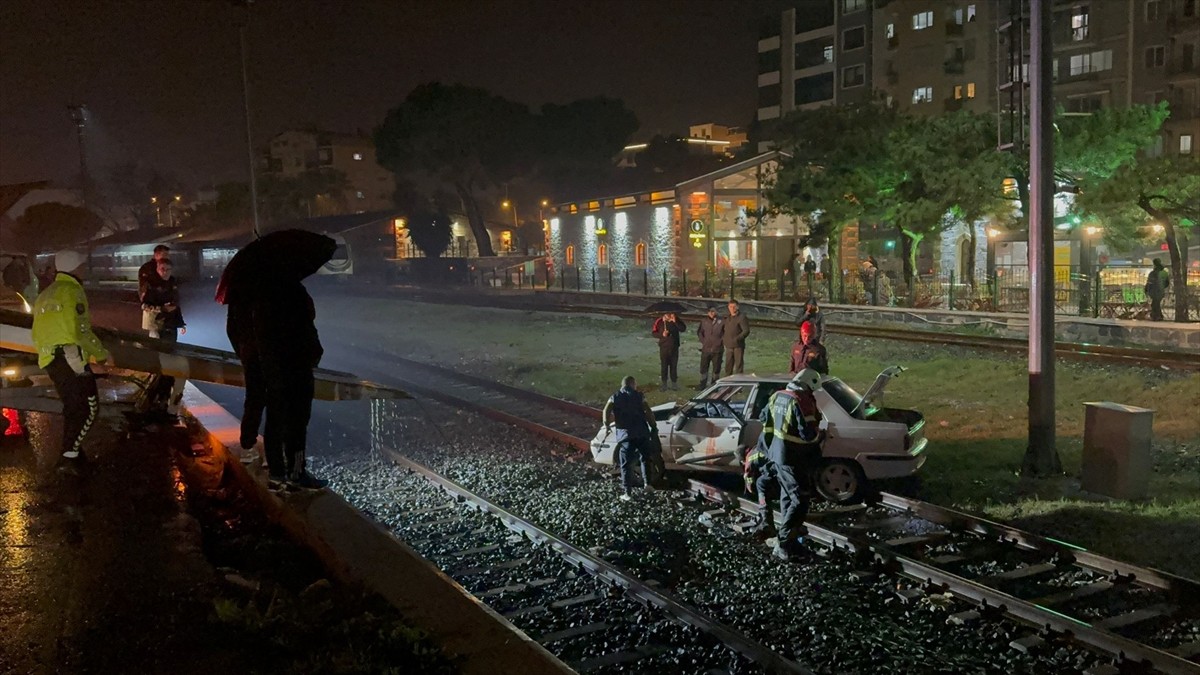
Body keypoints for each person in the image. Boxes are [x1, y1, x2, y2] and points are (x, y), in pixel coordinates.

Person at [31, 250, 111, 464]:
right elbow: (80, 331)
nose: (84, 268)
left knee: (73, 407)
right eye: (82, 265)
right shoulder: (72, 291)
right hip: (69, 357)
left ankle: (72, 453)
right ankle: (69, 459)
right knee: (88, 408)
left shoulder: (45, 294)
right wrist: (101, 354)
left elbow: (36, 332)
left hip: (51, 359)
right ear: (76, 267)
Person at [758, 368, 824, 562]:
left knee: (787, 497)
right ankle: (784, 542)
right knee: (800, 499)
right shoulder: (801, 400)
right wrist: (820, 435)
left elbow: (763, 418)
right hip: (793, 458)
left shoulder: (777, 395)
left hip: (776, 455)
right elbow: (808, 434)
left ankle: (789, 540)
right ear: (807, 386)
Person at [140, 258, 187, 418]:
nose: (165, 272)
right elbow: (144, 305)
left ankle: (164, 398)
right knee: (161, 363)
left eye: (168, 269)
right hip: (157, 326)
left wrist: (181, 323)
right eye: (162, 269)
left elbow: (177, 304)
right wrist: (161, 308)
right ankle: (158, 397)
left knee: (169, 361)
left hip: (171, 325)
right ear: (158, 269)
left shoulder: (173, 284)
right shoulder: (152, 285)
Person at [601, 375, 659, 501]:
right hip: (642, 433)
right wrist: (653, 426)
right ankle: (647, 484)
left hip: (625, 435)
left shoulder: (615, 397)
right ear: (633, 384)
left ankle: (627, 493)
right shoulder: (639, 396)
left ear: (622, 385)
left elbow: (606, 410)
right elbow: (648, 412)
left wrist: (606, 425)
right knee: (645, 458)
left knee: (626, 464)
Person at [742, 433, 777, 536]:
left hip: (783, 471)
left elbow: (750, 485)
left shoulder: (749, 457)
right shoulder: (758, 447)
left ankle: (766, 522)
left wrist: (748, 483)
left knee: (760, 483)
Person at [139, 244, 170, 333]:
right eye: (165, 255)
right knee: (155, 335)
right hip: (153, 308)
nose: (167, 257)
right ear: (156, 255)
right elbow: (144, 288)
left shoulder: (166, 266)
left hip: (165, 309)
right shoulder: (147, 268)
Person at [652, 312, 686, 391]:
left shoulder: (676, 320)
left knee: (673, 366)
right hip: (664, 347)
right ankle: (664, 384)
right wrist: (662, 334)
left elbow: (683, 329)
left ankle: (674, 384)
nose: (669, 315)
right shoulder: (659, 321)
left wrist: (675, 321)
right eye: (668, 314)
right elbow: (653, 333)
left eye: (670, 313)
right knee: (664, 366)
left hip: (674, 347)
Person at [696, 307, 724, 389]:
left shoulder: (722, 321)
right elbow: (700, 332)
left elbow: (725, 333)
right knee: (704, 367)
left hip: (717, 349)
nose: (711, 313)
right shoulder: (704, 321)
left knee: (716, 368)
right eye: (710, 311)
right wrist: (703, 341)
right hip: (706, 348)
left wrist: (720, 342)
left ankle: (714, 385)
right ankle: (702, 384)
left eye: (713, 311)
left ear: (716, 312)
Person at [722, 299, 750, 376]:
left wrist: (737, 339)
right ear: (728, 307)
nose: (732, 308)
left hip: (738, 346)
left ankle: (738, 385)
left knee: (738, 366)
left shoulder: (742, 317)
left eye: (734, 307)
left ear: (737, 307)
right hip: (728, 346)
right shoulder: (727, 318)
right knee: (728, 366)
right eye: (730, 307)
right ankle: (727, 385)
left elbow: (746, 331)